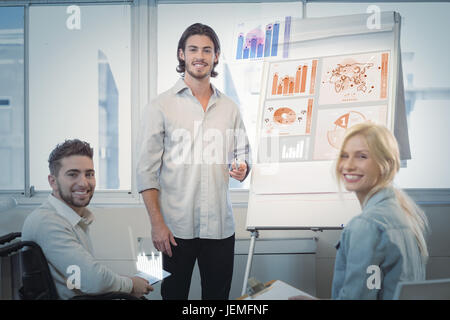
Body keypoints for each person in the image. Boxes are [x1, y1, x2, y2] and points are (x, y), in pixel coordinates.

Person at [136, 23, 251, 300]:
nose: (200, 55)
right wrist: (157, 224)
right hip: (175, 229)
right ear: (182, 55)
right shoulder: (160, 106)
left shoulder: (230, 108)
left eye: (207, 50)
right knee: (174, 296)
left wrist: (243, 167)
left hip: (220, 228)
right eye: (193, 49)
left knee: (217, 300)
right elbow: (146, 171)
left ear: (216, 56)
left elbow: (243, 154)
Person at [22, 139, 153, 299]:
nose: (84, 183)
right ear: (53, 182)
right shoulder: (47, 222)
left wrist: (128, 283)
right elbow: (93, 280)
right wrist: (131, 285)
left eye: (89, 174)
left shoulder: (71, 217)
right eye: (73, 174)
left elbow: (88, 275)